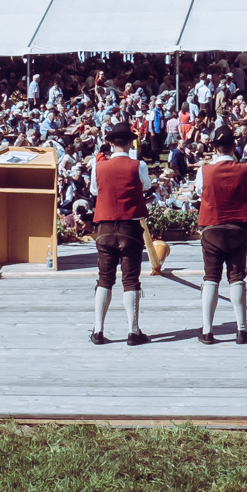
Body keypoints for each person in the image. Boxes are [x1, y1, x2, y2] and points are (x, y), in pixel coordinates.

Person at [89, 131, 152, 346]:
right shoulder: (138, 165)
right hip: (130, 226)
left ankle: (98, 330)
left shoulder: (98, 166)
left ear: (110, 143)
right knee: (130, 280)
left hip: (105, 226)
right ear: (129, 143)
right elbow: (146, 186)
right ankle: (133, 332)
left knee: (104, 279)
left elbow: (94, 190)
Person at [196, 130, 247, 344]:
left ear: (214, 148)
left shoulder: (204, 170)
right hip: (238, 228)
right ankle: (242, 329)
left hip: (212, 227)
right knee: (237, 276)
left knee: (211, 277)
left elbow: (198, 192)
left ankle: (207, 330)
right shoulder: (245, 168)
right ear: (234, 147)